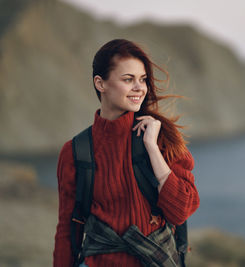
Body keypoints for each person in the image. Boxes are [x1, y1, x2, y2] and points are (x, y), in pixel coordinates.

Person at [53, 39, 200, 267]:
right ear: (100, 84)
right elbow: (67, 228)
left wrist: (152, 147)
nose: (139, 88)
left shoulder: (162, 138)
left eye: (142, 79)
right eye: (128, 79)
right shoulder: (75, 151)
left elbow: (180, 211)